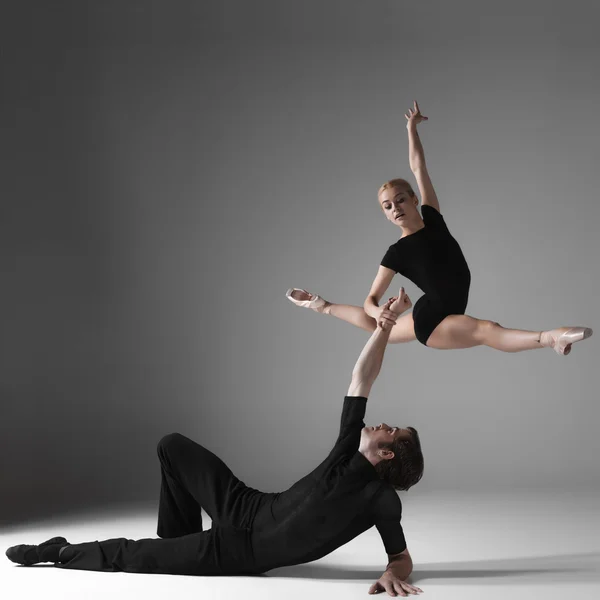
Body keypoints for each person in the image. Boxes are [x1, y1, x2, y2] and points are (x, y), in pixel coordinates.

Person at [6, 289, 425, 597]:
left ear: (387, 453)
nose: (382, 424)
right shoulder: (346, 452)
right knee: (171, 446)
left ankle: (57, 552)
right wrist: (384, 325)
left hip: (240, 552)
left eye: (391, 430)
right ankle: (174, 544)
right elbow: (361, 378)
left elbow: (400, 556)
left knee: (130, 557)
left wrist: (395, 573)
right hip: (246, 504)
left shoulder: (381, 501)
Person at [286, 101, 593, 356]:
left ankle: (321, 305)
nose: (396, 208)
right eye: (388, 206)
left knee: (385, 334)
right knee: (486, 330)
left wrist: (411, 129)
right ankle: (551, 338)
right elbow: (370, 300)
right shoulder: (397, 252)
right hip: (434, 320)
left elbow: (418, 167)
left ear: (414, 200)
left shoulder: (432, 216)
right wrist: (378, 310)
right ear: (387, 216)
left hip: (431, 307)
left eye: (400, 200)